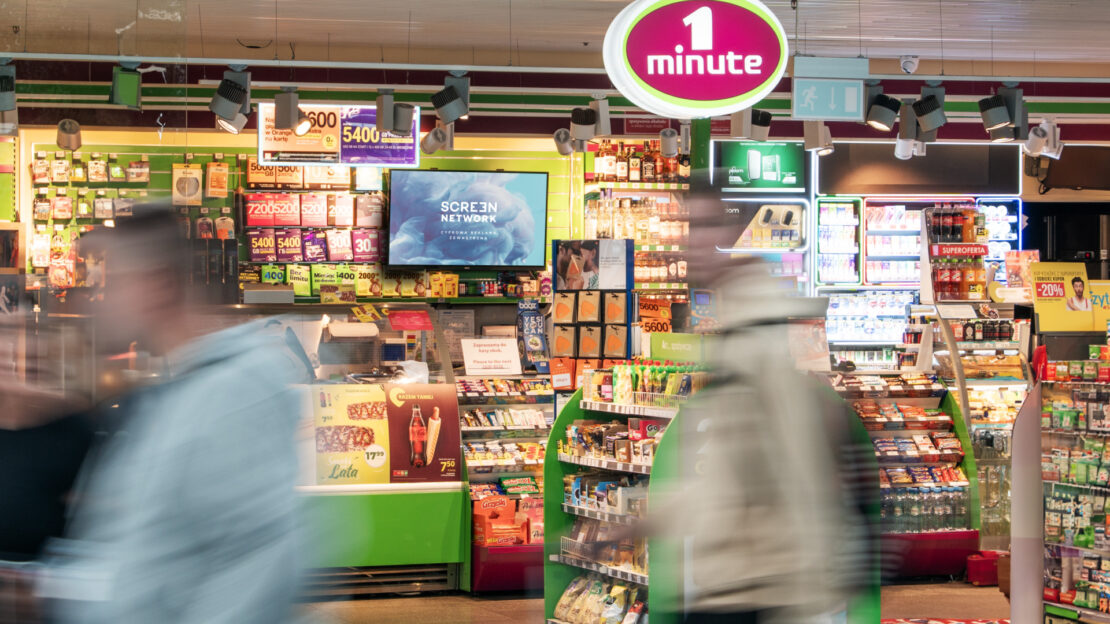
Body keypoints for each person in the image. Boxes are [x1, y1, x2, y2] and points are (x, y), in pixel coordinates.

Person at [35, 206, 309, 624]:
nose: (95, 299)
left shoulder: (231, 398)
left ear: (155, 284)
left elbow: (253, 582)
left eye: (110, 283)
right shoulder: (169, 395)